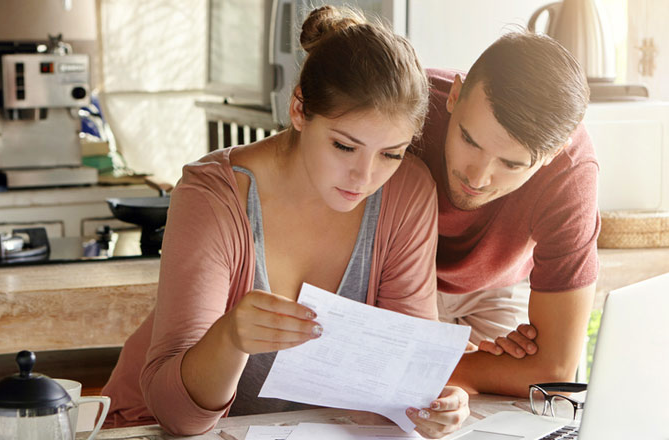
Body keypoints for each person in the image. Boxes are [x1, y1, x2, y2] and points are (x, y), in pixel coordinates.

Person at [101, 6, 468, 439]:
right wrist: (230, 339)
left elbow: (400, 378)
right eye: (344, 146)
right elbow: (178, 418)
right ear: (298, 110)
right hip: (152, 429)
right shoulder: (213, 195)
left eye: (391, 153)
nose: (364, 177)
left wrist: (433, 403)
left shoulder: (407, 192)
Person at [416, 32, 600, 397]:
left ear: (553, 154)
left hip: (495, 287)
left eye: (511, 164)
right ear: (454, 95)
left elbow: (554, 373)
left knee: (514, 413)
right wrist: (453, 365)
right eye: (469, 140)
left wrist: (426, 364)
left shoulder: (571, 172)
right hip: (395, 280)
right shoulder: (406, 105)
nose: (477, 178)